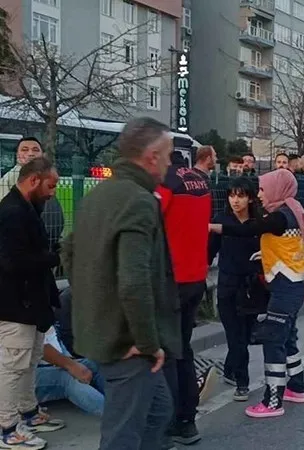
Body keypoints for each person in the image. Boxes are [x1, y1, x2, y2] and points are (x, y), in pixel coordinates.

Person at [61, 117, 180, 450]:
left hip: (108, 332)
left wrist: (93, 303)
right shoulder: (138, 200)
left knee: (158, 411)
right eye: (169, 155)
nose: (171, 163)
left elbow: (69, 250)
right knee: (122, 435)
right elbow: (133, 280)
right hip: (129, 342)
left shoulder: (99, 195)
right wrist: (146, 341)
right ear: (152, 155)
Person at [210, 169, 304, 419]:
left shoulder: (280, 216)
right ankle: (296, 387)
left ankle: (273, 401)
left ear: (278, 188)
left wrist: (213, 226)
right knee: (288, 339)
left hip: (285, 289)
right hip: (294, 285)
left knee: (273, 340)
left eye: (263, 190)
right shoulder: (293, 210)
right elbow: (284, 245)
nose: (260, 195)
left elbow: (248, 229)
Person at [0, 157, 64, 450]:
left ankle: (28, 411)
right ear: (34, 180)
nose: (53, 193)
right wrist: (54, 257)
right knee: (13, 366)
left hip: (31, 305)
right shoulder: (12, 213)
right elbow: (13, 262)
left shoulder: (26, 209)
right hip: (16, 306)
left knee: (28, 363)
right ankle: (7, 428)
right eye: (51, 186)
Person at [157, 147, 213, 445]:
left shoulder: (165, 183)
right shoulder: (199, 180)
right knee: (183, 350)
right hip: (196, 277)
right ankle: (187, 420)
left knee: (167, 354)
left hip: (172, 279)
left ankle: (168, 423)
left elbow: (154, 226)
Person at [208, 177, 262, 403]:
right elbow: (208, 252)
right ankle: (242, 382)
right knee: (235, 337)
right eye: (232, 195)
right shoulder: (220, 220)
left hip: (251, 288)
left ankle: (230, 369)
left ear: (250, 197)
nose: (235, 200)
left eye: (240, 195)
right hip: (228, 286)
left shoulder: (260, 221)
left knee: (246, 335)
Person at [0, 137, 64, 252]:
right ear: (17, 155)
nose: (30, 153)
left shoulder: (45, 176)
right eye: (25, 150)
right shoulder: (10, 179)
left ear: (42, 154)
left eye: (35, 150)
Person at [36, 324, 105, 417]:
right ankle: (117, 415)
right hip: (23, 377)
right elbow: (37, 346)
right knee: (67, 378)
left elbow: (53, 341)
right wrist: (72, 366)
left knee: (95, 364)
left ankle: (122, 403)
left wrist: (72, 362)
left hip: (48, 363)